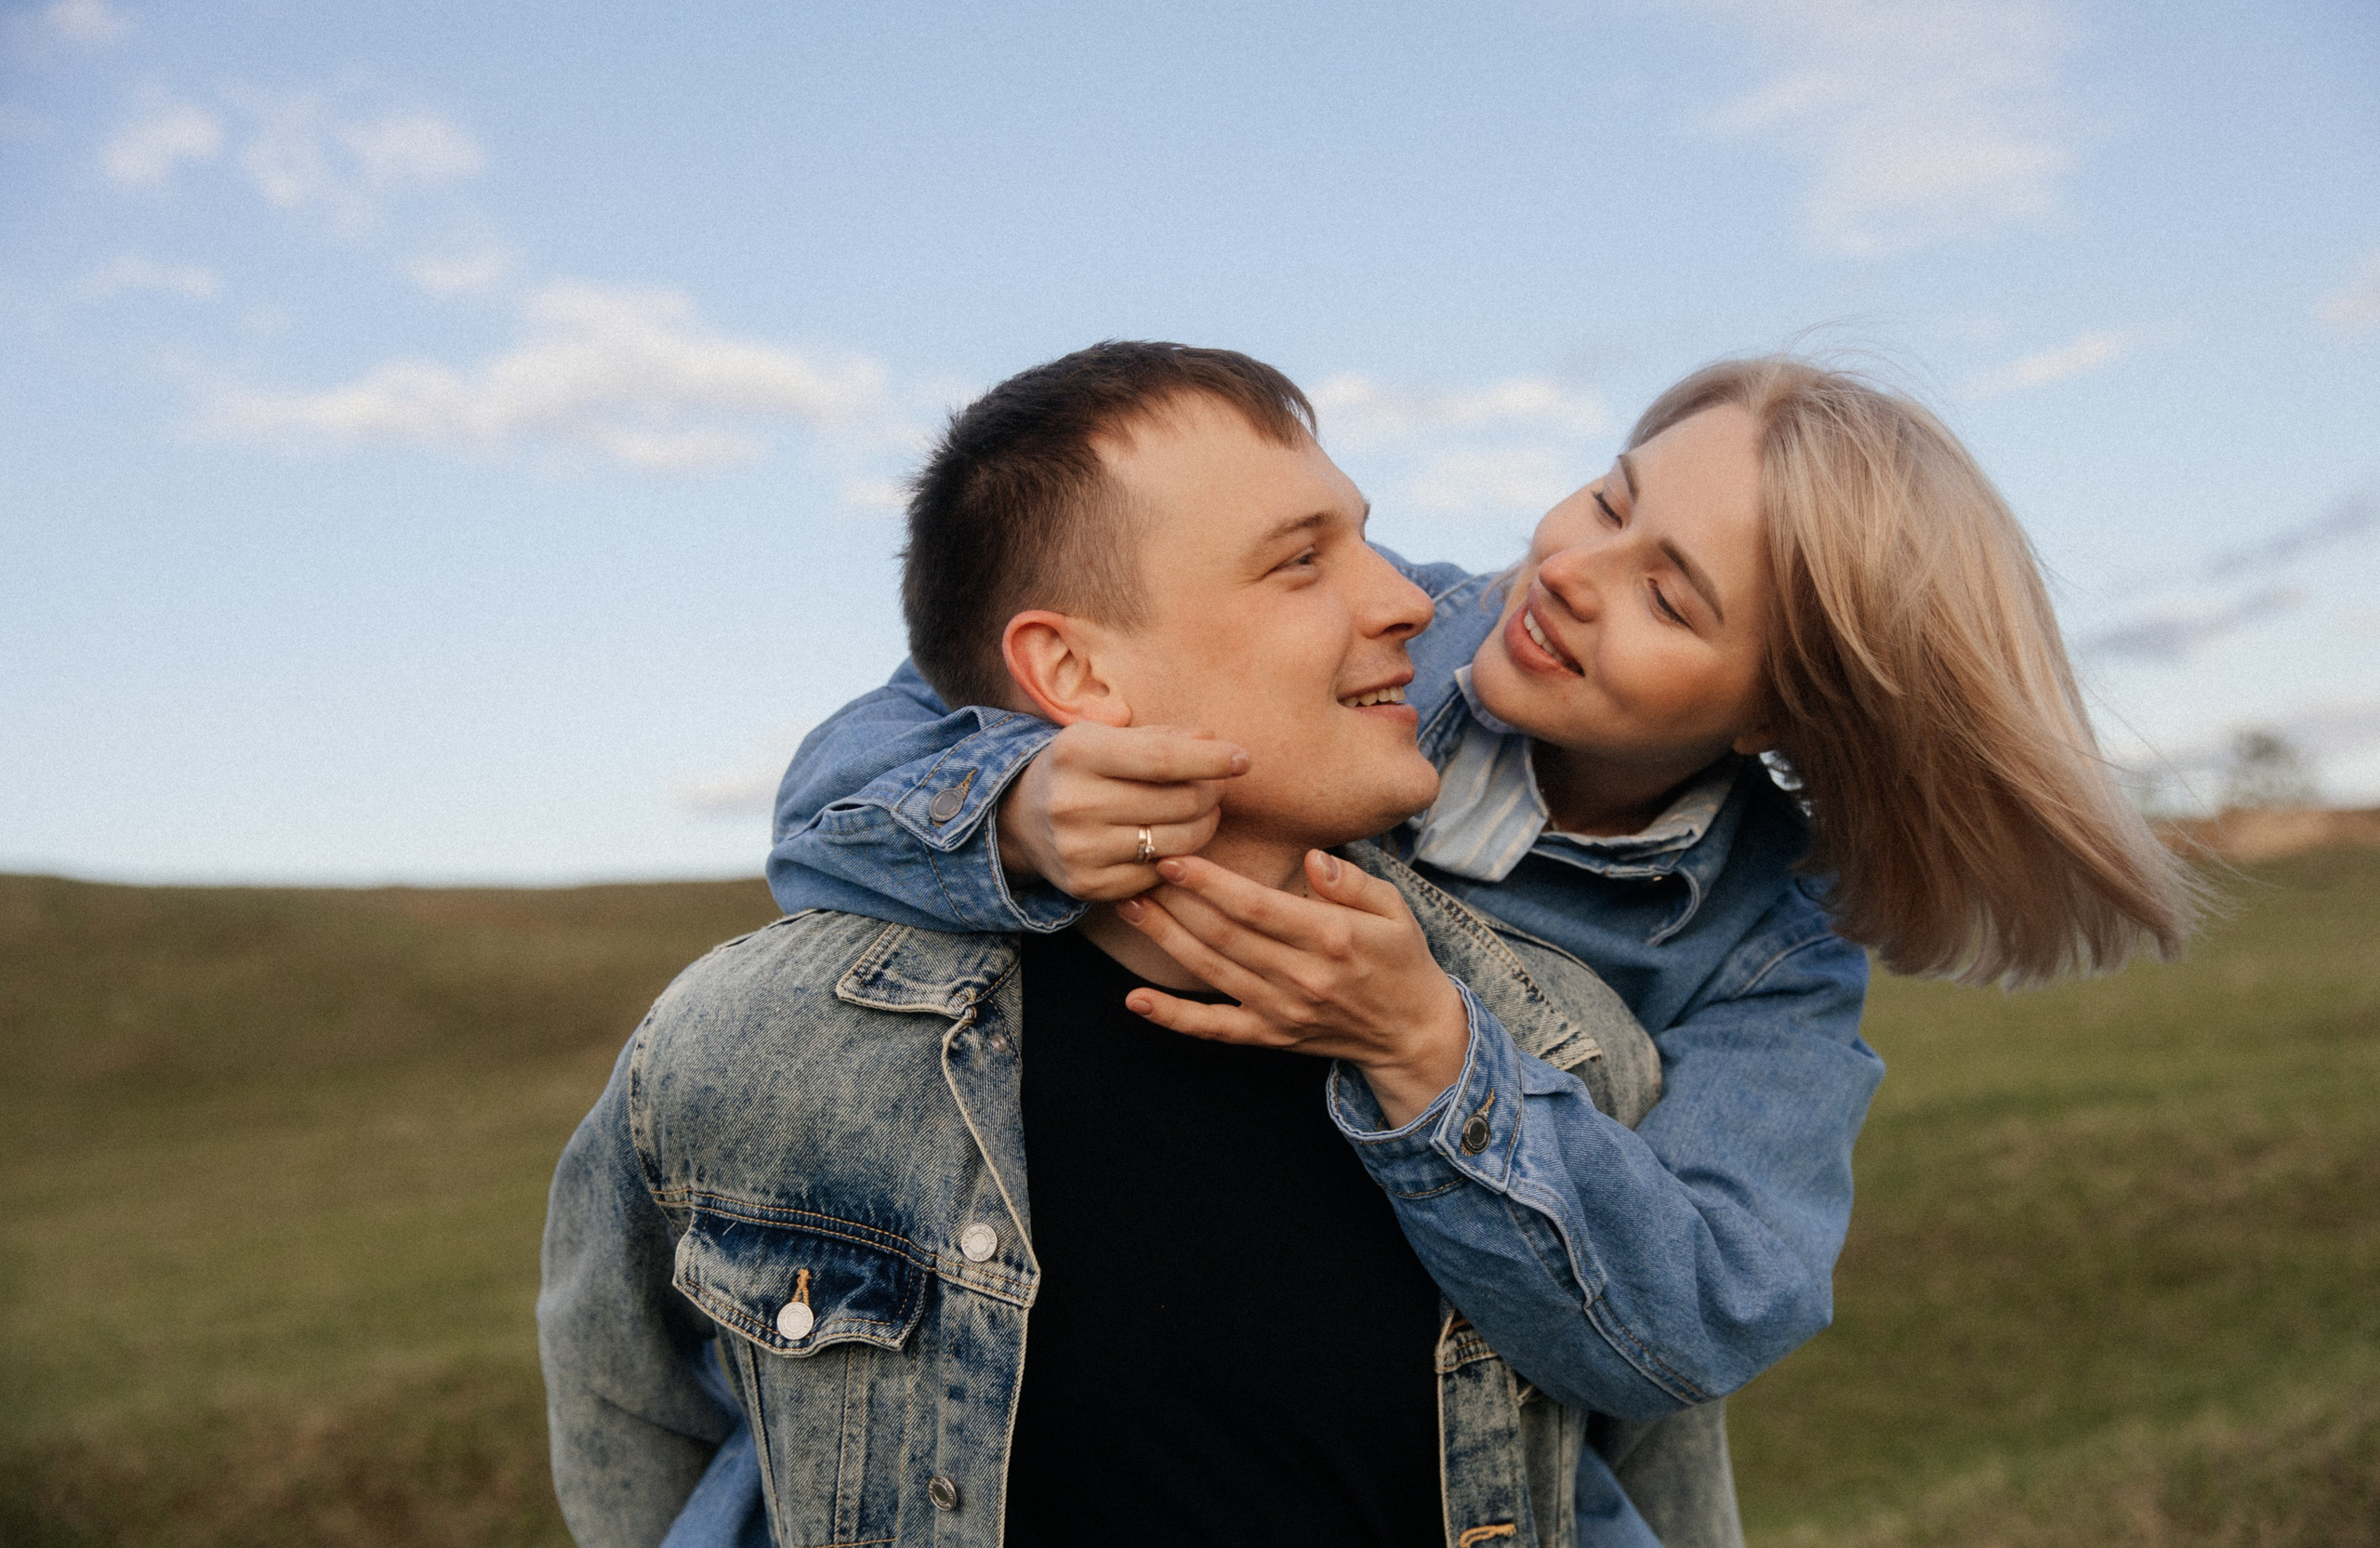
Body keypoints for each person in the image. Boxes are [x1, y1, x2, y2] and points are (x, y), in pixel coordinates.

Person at [767, 354, 2202, 1529]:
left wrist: (1429, 1049)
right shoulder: (1387, 623)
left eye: (1672, 595)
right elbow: (857, 775)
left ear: (1777, 712)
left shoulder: (1772, 941)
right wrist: (1009, 810)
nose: (1573, 570)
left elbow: (1707, 1315)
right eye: (1607, 500)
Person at [539, 341, 1726, 1548]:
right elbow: (632, 1429)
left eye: (1365, 539)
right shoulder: (756, 1047)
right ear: (1074, 670)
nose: (1408, 602)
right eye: (1302, 562)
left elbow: (1657, 1476)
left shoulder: (1560, 1050)